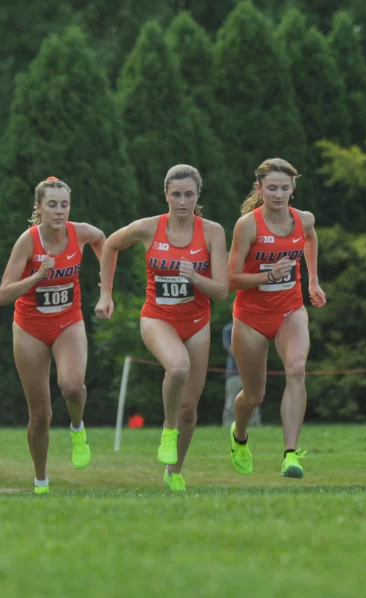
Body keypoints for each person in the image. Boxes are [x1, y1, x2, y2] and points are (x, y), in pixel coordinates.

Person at [96, 165, 228, 492]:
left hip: (197, 323)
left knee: (189, 408)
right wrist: (106, 293)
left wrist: (196, 278)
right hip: (157, 318)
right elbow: (109, 245)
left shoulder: (212, 232)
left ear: (198, 197)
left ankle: (174, 471)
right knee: (178, 368)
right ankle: (168, 430)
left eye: (189, 195)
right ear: (165, 195)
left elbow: (222, 291)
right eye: (176, 195)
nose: (182, 201)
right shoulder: (148, 228)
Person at [0, 176, 106, 495]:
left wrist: (105, 282)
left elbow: (104, 241)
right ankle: (41, 481)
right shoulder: (28, 242)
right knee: (41, 414)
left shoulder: (80, 233)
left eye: (64, 204)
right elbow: (3, 295)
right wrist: (37, 276)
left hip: (68, 322)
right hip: (30, 328)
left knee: (72, 387)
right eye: (52, 205)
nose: (59, 211)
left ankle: (77, 427)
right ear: (39, 208)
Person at [225, 158, 326, 480]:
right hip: (252, 316)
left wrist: (312, 281)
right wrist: (268, 275)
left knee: (296, 369)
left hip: (290, 310)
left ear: (293, 189)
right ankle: (239, 436)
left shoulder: (304, 219)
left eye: (284, 188)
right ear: (260, 189)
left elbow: (310, 239)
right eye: (272, 188)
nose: (278, 194)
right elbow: (232, 279)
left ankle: (290, 455)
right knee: (254, 395)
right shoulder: (248, 225)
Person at [222, 319, 260, 428]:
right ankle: (228, 425)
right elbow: (231, 349)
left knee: (253, 399)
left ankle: (254, 425)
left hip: (251, 371)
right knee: (231, 401)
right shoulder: (228, 329)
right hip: (233, 371)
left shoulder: (252, 327)